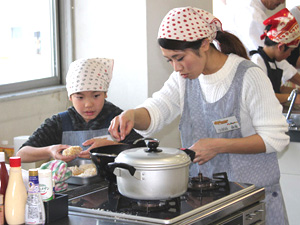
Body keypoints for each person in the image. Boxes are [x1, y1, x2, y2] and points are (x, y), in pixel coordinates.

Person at [108, 7, 289, 225]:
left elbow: (274, 138)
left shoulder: (249, 76)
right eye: (169, 60)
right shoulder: (184, 79)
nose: (176, 68)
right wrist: (132, 115)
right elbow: (157, 109)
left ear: (204, 44)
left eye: (180, 57)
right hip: (207, 201)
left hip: (252, 199)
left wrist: (217, 145)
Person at [17, 58, 142, 163]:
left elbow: (142, 149)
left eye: (96, 96)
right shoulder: (59, 122)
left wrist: (112, 148)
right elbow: (21, 154)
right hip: (72, 189)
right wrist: (49, 151)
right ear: (70, 97)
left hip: (111, 186)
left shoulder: (116, 119)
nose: (88, 104)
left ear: (105, 94)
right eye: (80, 97)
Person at [250, 8, 300, 104]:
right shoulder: (257, 61)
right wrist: (296, 98)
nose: (289, 55)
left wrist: (296, 93)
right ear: (280, 47)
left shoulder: (275, 61)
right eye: (290, 51)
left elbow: (278, 90)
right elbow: (264, 96)